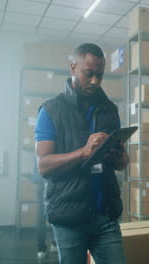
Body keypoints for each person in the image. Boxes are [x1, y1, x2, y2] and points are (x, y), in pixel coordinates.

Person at [34, 43, 128, 264]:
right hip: (69, 217)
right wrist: (84, 152)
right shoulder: (50, 110)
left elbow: (123, 163)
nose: (95, 81)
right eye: (89, 74)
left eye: (100, 75)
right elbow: (44, 165)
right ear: (73, 68)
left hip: (106, 214)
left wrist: (120, 158)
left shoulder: (110, 110)